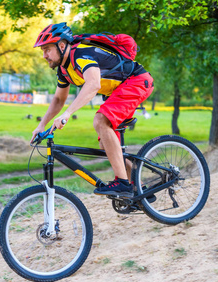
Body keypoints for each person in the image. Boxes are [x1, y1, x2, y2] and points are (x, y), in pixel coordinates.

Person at [31, 23, 154, 198]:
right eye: (42, 51)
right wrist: (41, 125)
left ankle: (122, 183)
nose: (44, 55)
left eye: (47, 49)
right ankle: (140, 187)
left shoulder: (81, 54)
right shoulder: (64, 70)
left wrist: (67, 114)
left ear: (62, 45)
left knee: (100, 120)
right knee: (106, 144)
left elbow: (93, 84)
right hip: (119, 90)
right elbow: (59, 99)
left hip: (136, 81)